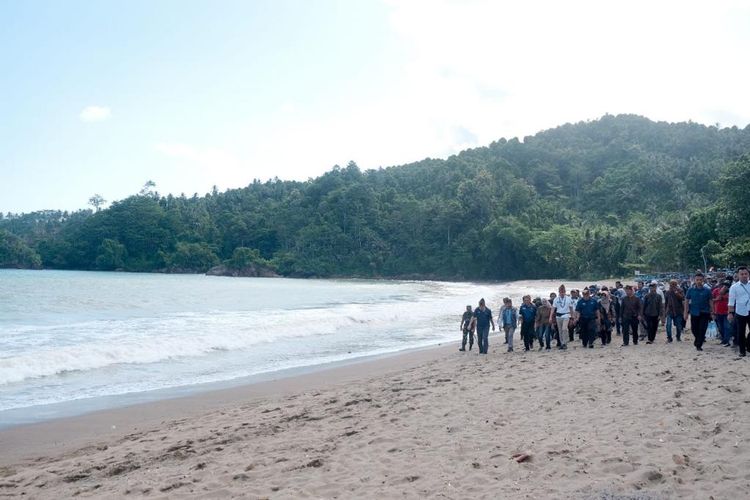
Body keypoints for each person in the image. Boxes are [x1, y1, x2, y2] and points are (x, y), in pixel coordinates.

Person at [684, 272, 713, 352]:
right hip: (694, 312)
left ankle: (699, 345)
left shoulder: (707, 290)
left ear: (703, 280)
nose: (699, 281)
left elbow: (710, 301)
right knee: (694, 329)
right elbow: (686, 301)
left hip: (705, 312)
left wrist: (712, 312)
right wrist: (685, 313)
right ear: (694, 280)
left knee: (702, 329)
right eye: (697, 280)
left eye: (700, 280)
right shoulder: (690, 290)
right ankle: (698, 339)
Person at [728, 266, 750, 357]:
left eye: (746, 274)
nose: (744, 276)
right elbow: (731, 301)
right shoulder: (734, 287)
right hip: (740, 312)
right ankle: (742, 351)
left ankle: (748, 345)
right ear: (738, 275)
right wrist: (730, 313)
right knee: (740, 332)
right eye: (742, 274)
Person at [549, 285, 574, 350]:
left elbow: (571, 309)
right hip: (558, 316)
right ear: (559, 292)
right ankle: (562, 343)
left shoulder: (569, 299)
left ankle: (565, 342)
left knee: (564, 329)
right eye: (560, 292)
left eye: (563, 292)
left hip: (566, 315)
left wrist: (572, 317)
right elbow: (553, 308)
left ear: (565, 292)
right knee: (560, 331)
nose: (562, 293)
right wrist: (550, 317)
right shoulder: (556, 299)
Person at [712, 281, 731, 346]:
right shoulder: (715, 291)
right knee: (720, 327)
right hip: (717, 312)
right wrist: (717, 299)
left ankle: (726, 341)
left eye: (726, 286)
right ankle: (724, 339)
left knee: (727, 327)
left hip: (727, 312)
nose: (724, 287)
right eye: (723, 285)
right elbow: (711, 300)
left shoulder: (730, 292)